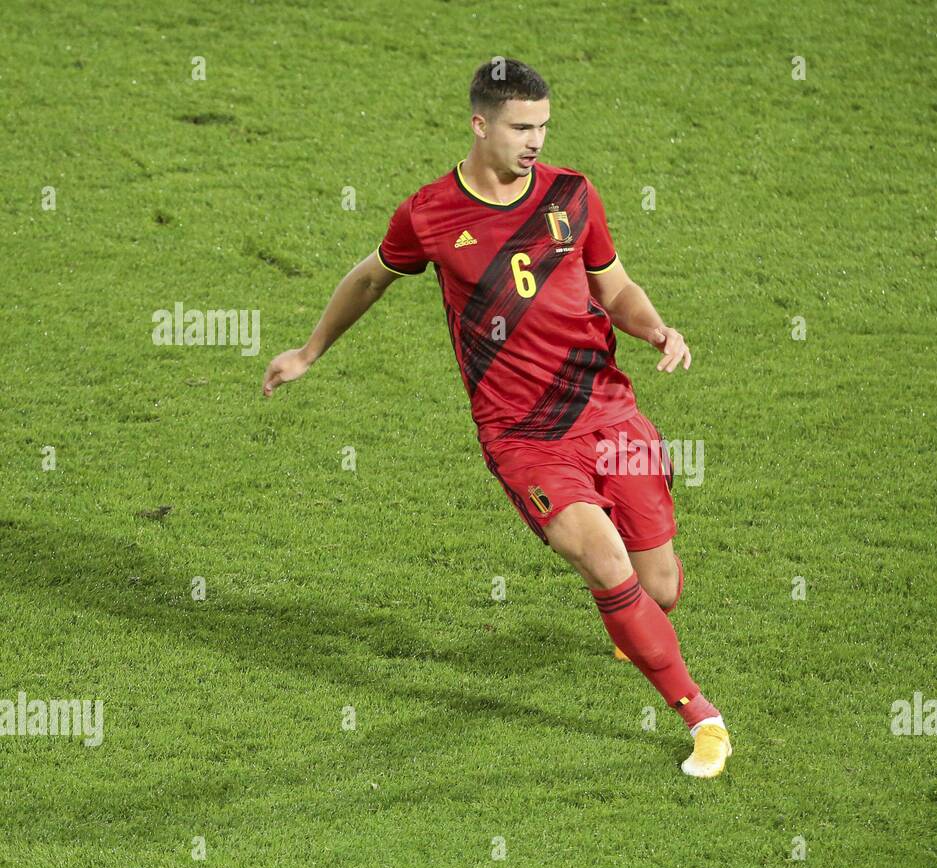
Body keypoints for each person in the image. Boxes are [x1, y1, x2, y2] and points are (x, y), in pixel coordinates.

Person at [262, 58, 730, 778]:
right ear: (479, 125)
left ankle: (635, 623)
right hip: (523, 436)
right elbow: (369, 277)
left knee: (660, 587)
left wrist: (659, 330)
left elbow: (615, 286)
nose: (535, 141)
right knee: (605, 564)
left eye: (543, 126)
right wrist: (309, 349)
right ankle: (702, 717)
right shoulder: (429, 214)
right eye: (521, 128)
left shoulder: (573, 196)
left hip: (610, 412)